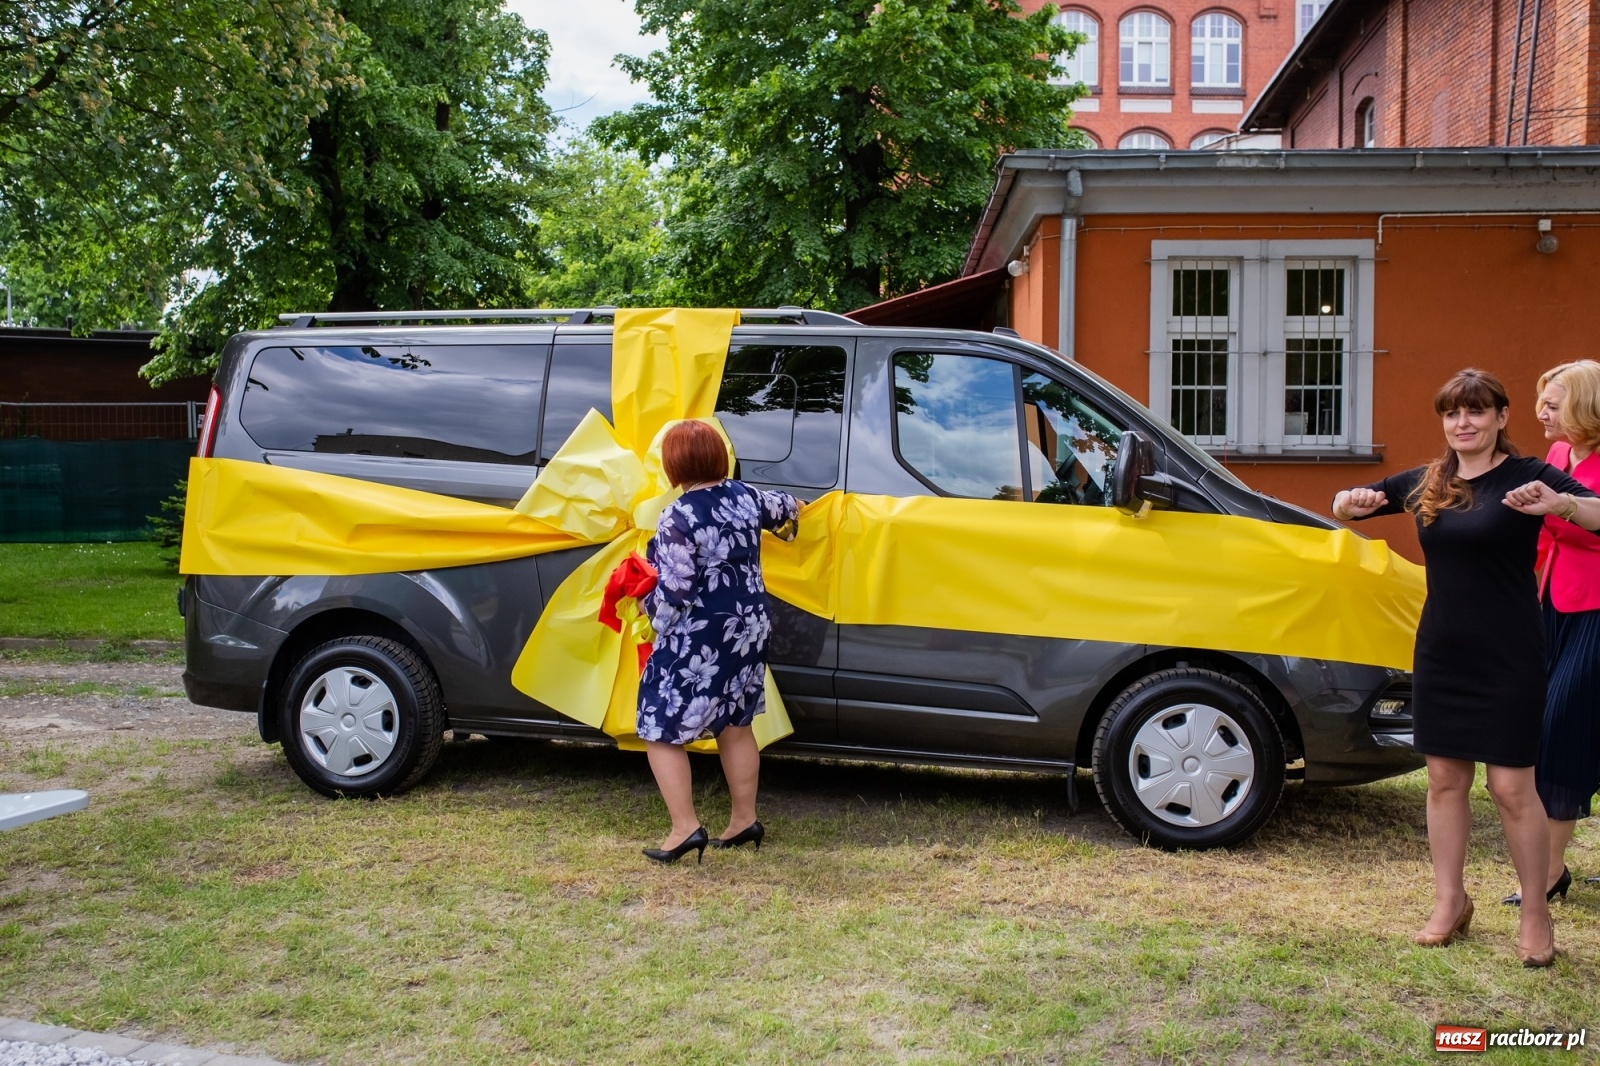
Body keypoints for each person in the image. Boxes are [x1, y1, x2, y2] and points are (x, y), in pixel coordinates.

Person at [1332, 368, 1600, 968]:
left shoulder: (1528, 476)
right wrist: (1347, 502)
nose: (1463, 424)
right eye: (1453, 414)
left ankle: (1536, 910)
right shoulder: (1432, 480)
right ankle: (1450, 901)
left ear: (1502, 418)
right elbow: (1352, 502)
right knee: (1444, 780)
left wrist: (1562, 504)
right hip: (1442, 651)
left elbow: (1599, 513)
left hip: (1509, 652)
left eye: (1476, 412)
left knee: (1510, 787)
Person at [636, 419, 800, 864]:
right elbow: (787, 506)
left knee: (660, 725)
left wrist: (645, 611)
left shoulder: (679, 514)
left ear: (674, 466)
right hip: (748, 628)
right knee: (736, 722)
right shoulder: (745, 496)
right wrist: (798, 512)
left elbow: (676, 589)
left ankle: (684, 829)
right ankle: (743, 819)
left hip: (702, 635)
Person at [1501, 361, 1600, 908]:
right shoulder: (1560, 456)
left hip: (1597, 608)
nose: (1541, 411)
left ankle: (1548, 873)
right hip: (1551, 604)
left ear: (1586, 406)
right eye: (1542, 399)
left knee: (1561, 730)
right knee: (1548, 729)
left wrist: (1564, 504)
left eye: (1554, 402)